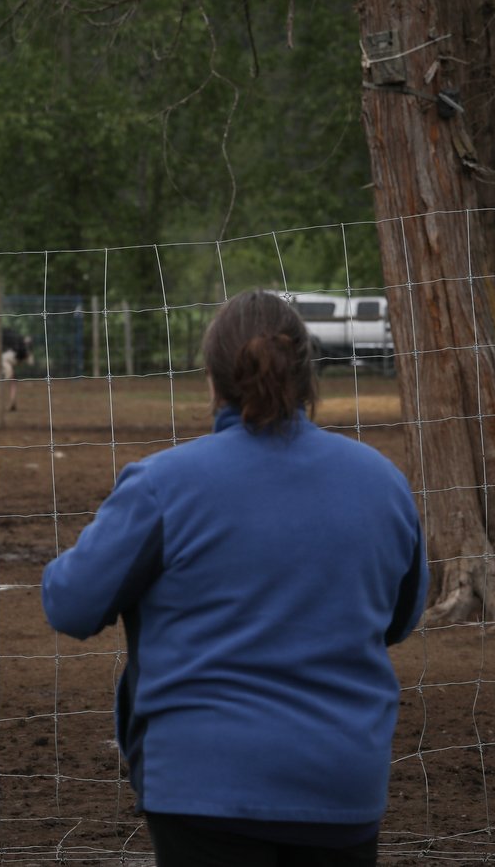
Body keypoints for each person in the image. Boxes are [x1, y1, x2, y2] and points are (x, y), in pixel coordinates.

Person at [41, 288, 427, 867]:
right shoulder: (384, 483)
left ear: (212, 379)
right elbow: (401, 619)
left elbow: (70, 604)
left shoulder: (163, 485)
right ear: (308, 375)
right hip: (342, 783)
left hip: (202, 784)